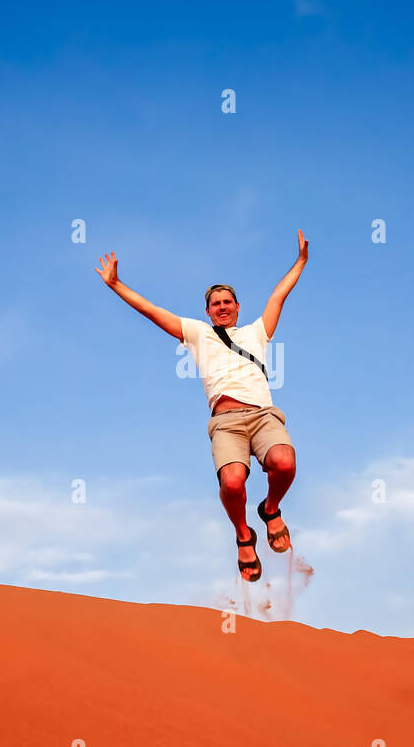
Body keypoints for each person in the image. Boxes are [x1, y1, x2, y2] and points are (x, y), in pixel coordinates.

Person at [94, 229, 309, 581]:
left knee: (284, 462)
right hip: (225, 422)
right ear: (208, 312)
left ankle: (270, 511)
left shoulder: (257, 332)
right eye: (216, 304)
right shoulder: (197, 333)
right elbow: (151, 311)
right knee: (233, 482)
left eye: (227, 302)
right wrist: (116, 285)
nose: (222, 307)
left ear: (237, 307)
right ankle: (243, 534)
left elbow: (279, 296)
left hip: (262, 415)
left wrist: (300, 262)